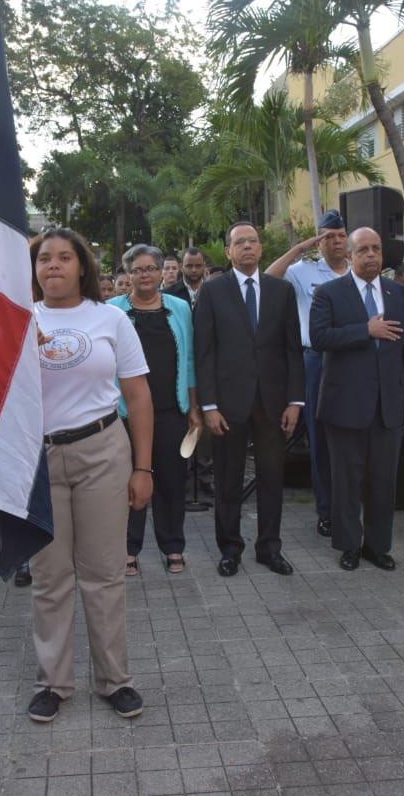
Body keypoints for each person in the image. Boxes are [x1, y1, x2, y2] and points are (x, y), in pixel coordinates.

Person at [27, 228, 152, 724]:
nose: (54, 265)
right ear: (34, 269)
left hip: (102, 451)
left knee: (104, 574)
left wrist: (143, 467)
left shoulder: (111, 319)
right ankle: (53, 683)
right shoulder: (18, 320)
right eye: (44, 258)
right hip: (38, 459)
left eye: (64, 257)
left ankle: (115, 680)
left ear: (82, 267)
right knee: (50, 576)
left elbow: (138, 396)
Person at [195, 221, 304, 578]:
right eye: (239, 242)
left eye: (253, 241)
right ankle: (230, 549)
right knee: (229, 481)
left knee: (271, 479)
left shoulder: (281, 290)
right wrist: (209, 406)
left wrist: (295, 401)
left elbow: (292, 349)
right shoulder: (213, 291)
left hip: (273, 403)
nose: (247, 246)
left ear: (260, 248)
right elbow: (204, 352)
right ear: (228, 251)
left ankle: (270, 548)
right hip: (228, 405)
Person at [310, 227, 404, 571]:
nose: (371, 255)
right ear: (349, 255)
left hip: (389, 405)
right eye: (363, 250)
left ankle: (378, 546)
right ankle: (349, 546)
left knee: (383, 480)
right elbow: (319, 337)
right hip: (345, 404)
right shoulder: (329, 293)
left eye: (376, 248)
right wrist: (366, 330)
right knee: (347, 481)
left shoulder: (399, 294)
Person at [108, 244, 201, 576]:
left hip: (172, 408)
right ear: (128, 274)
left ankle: (173, 545)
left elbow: (189, 358)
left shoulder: (180, 308)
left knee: (172, 481)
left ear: (162, 272)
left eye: (150, 269)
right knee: (127, 481)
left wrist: (193, 407)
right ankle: (128, 548)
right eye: (137, 270)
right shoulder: (112, 310)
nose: (144, 275)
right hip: (125, 412)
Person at [266, 210, 351, 538]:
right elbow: (269, 278)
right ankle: (327, 510)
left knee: (353, 437)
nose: (337, 242)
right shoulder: (304, 271)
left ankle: (350, 505)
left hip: (354, 360)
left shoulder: (356, 269)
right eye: (329, 237)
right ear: (320, 241)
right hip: (318, 361)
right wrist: (299, 249)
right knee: (321, 439)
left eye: (341, 236)